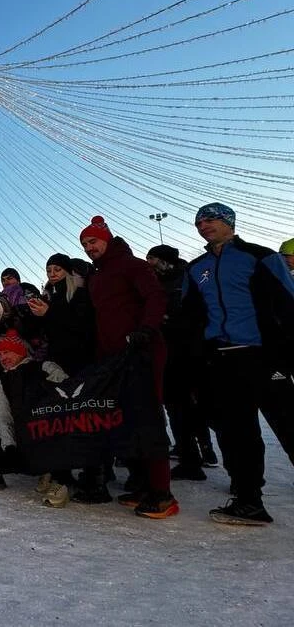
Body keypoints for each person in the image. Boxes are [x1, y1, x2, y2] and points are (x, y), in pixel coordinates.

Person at [183, 203, 294, 525]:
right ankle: (249, 501)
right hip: (222, 359)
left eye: (212, 219)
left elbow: (287, 305)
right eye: (199, 221)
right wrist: (197, 361)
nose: (204, 225)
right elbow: (191, 318)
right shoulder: (196, 268)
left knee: (289, 423)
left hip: (263, 354)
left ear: (229, 222)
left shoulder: (260, 257)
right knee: (236, 434)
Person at [80, 215, 177, 518]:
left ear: (106, 238)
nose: (89, 247)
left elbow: (155, 297)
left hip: (140, 351)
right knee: (127, 421)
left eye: (93, 241)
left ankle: (162, 493)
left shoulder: (133, 265)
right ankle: (144, 485)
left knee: (148, 419)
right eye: (84, 244)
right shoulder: (97, 276)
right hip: (113, 358)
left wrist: (146, 330)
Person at [0, 330, 71, 507]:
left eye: (7, 352)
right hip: (25, 434)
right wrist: (9, 446)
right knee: (0, 449)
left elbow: (67, 388)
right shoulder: (3, 381)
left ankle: (59, 480)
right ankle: (2, 473)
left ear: (20, 351)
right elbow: (4, 417)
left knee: (59, 445)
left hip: (51, 430)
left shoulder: (44, 367)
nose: (2, 357)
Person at [145, 244, 215, 480]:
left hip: (194, 350)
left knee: (207, 407)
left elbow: (200, 311)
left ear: (166, 260)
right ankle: (189, 459)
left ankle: (209, 452)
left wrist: (171, 320)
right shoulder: (155, 282)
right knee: (176, 407)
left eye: (153, 258)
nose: (150, 263)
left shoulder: (189, 277)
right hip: (168, 352)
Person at [26, 254, 95, 375]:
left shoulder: (80, 294)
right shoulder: (50, 297)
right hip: (58, 361)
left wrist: (48, 313)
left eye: (57, 269)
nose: (52, 274)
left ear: (67, 271)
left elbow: (83, 325)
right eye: (48, 271)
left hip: (81, 360)